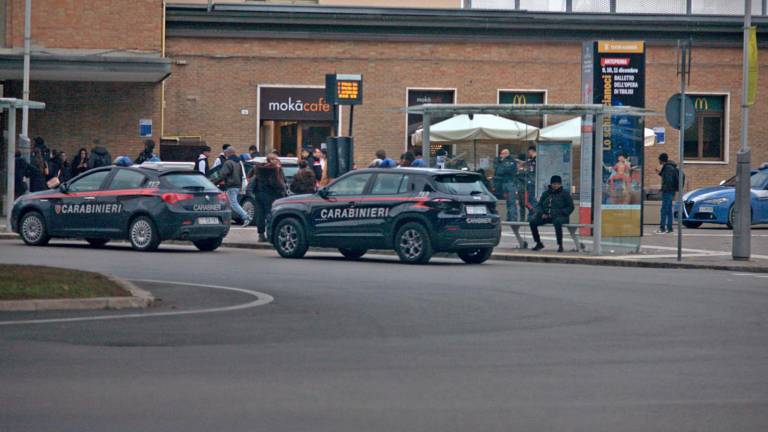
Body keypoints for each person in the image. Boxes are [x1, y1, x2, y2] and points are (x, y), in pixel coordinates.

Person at [530, 175, 574, 253]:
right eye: (554, 184)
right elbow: (539, 205)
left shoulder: (565, 194)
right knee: (533, 222)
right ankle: (538, 243)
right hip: (547, 216)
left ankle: (560, 245)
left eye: (557, 184)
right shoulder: (546, 193)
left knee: (557, 222)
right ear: (551, 184)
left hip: (561, 216)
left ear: (560, 184)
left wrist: (561, 213)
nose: (556, 185)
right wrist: (541, 213)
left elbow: (570, 207)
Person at [252, 152, 287, 242]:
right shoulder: (275, 169)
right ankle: (269, 234)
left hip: (259, 194)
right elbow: (277, 182)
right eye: (276, 159)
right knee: (269, 214)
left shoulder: (259, 168)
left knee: (260, 214)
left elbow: (253, 179)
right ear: (271, 160)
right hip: (271, 194)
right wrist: (282, 189)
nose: (277, 160)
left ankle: (261, 235)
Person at [219, 147, 251, 227]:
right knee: (230, 203)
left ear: (229, 153)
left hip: (231, 185)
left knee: (233, 203)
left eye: (225, 153)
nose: (225, 155)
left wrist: (215, 181)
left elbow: (222, 174)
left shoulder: (228, 162)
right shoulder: (238, 162)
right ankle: (227, 218)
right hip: (237, 185)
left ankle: (246, 217)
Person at [656, 153, 680, 234]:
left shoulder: (668, 167)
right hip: (670, 191)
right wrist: (659, 173)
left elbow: (668, 180)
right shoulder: (670, 167)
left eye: (659, 159)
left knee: (664, 210)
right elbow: (667, 177)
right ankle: (669, 228)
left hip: (668, 191)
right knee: (669, 210)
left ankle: (662, 228)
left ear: (662, 159)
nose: (658, 160)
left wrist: (664, 188)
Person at [493, 149, 519, 221]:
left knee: (511, 201)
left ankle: (513, 218)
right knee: (508, 201)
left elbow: (504, 170)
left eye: (502, 154)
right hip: (503, 184)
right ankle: (509, 217)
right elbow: (497, 170)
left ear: (506, 153)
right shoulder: (501, 161)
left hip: (510, 183)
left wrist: (502, 167)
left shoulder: (511, 161)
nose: (501, 155)